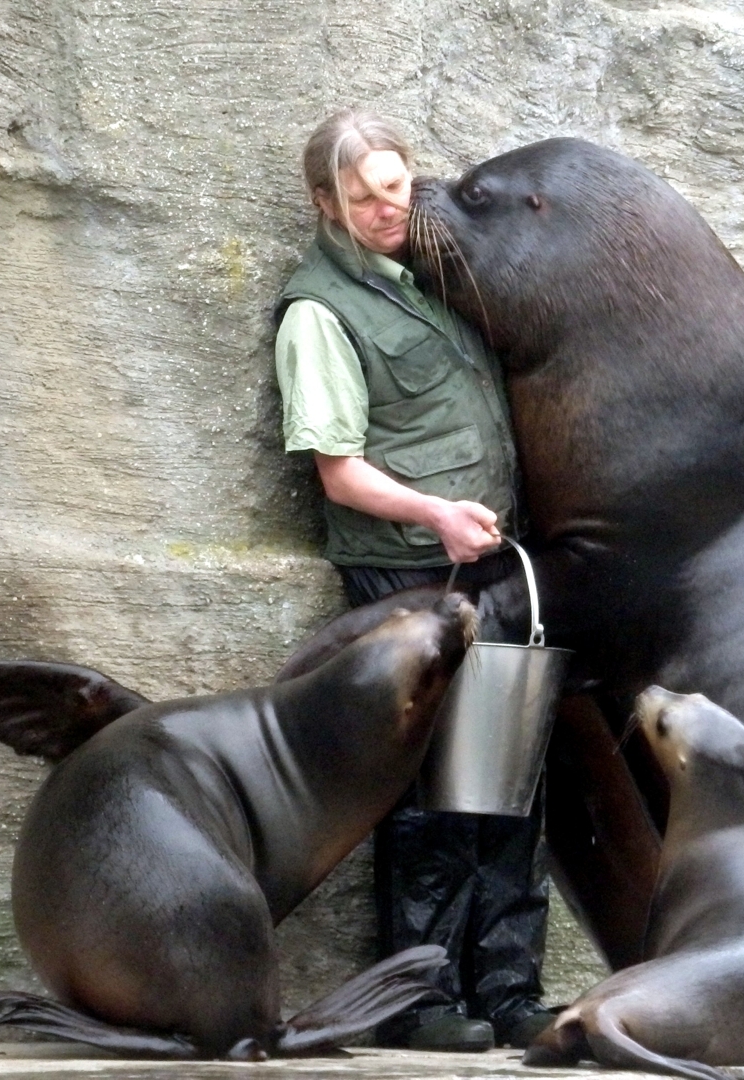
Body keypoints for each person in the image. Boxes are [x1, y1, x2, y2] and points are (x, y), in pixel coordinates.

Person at [273, 108, 554, 1053]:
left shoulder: (425, 277)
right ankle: (421, 999)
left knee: (511, 777)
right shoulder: (318, 312)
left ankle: (511, 989)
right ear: (325, 203)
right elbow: (337, 468)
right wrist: (435, 513)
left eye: (398, 186)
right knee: (435, 789)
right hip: (406, 571)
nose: (391, 209)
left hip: (490, 562)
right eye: (365, 198)